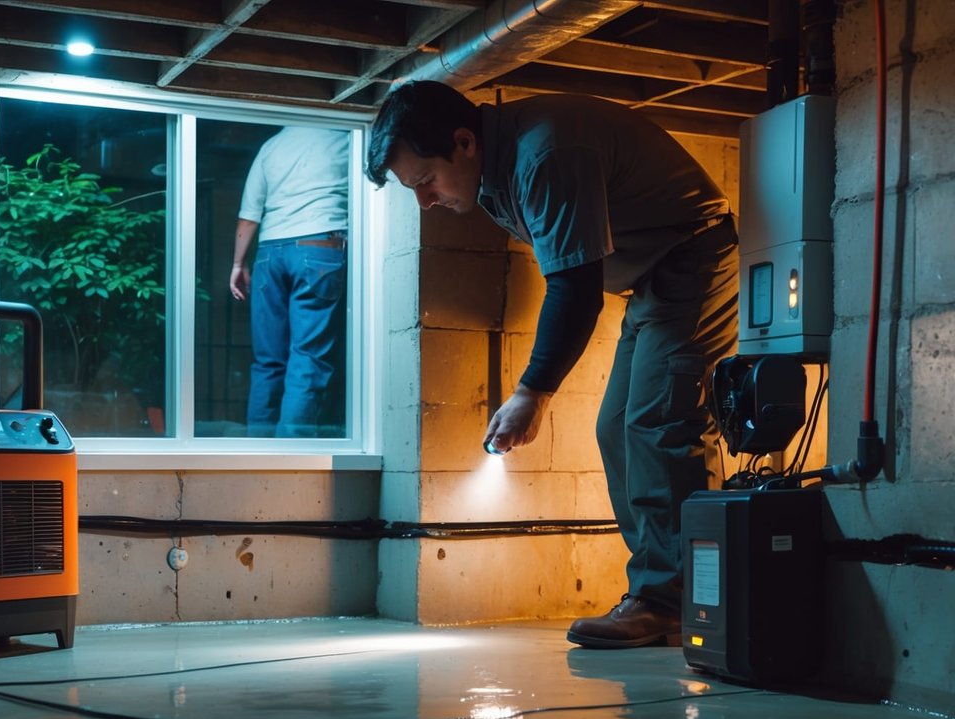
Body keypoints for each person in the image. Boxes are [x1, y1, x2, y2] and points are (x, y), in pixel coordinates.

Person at [365, 81, 739, 649]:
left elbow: (575, 290)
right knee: (617, 426)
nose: (425, 201)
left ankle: (674, 599)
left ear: (464, 142)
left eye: (425, 181)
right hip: (655, 279)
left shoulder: (545, 155)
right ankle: (662, 591)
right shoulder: (496, 177)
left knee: (660, 421)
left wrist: (532, 392)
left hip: (696, 257)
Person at [230, 126, 351, 438]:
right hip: (319, 245)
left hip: (269, 252)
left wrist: (238, 264)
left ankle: (258, 450)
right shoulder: (345, 136)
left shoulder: (271, 146)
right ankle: (293, 451)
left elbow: (249, 214)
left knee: (267, 361)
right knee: (308, 358)